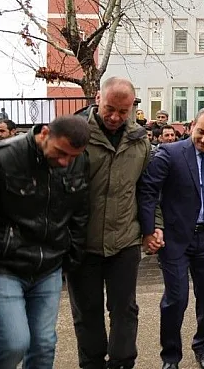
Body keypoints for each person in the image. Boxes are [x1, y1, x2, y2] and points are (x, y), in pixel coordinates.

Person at [137, 108, 204, 369]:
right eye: (201, 132)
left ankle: (203, 347)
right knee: (176, 299)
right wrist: (149, 230)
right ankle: (170, 357)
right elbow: (148, 191)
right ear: (192, 126)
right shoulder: (170, 153)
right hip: (176, 240)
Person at [67, 77, 150, 369]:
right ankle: (91, 364)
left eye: (123, 111)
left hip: (124, 241)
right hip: (81, 244)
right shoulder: (75, 135)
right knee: (86, 312)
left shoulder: (141, 140)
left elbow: (148, 191)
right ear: (98, 99)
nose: (115, 117)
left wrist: (153, 227)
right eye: (110, 109)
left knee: (124, 310)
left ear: (132, 108)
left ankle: (122, 363)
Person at [0, 115, 90, 369]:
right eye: (60, 152)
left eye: (72, 156)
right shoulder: (3, 157)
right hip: (5, 266)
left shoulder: (77, 160)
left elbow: (80, 211)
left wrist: (72, 254)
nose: (64, 162)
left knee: (44, 344)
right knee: (12, 343)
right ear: (45, 132)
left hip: (50, 265)